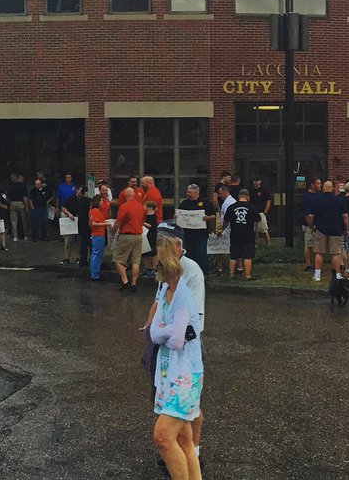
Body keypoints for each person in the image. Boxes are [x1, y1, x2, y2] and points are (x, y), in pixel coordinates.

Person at [147, 233, 204, 480]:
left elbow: (178, 339)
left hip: (185, 375)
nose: (153, 265)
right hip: (167, 373)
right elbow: (154, 332)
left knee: (163, 436)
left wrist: (162, 331)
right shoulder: (164, 290)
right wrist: (162, 332)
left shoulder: (182, 295)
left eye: (156, 261)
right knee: (183, 438)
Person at [310, 179, 348, 284]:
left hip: (321, 229)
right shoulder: (339, 200)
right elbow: (345, 216)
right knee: (335, 253)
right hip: (336, 229)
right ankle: (338, 275)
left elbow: (311, 216)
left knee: (319, 252)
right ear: (332, 188)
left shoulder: (317, 200)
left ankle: (317, 275)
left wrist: (312, 226)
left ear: (323, 188)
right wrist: (346, 229)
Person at [176, 184, 217, 273]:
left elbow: (214, 216)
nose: (187, 193)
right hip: (187, 234)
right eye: (187, 192)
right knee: (189, 253)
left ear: (196, 192)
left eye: (189, 192)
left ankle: (203, 272)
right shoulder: (184, 203)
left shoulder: (205, 203)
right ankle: (189, 271)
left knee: (201, 253)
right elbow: (179, 214)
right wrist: (176, 216)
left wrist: (207, 218)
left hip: (201, 233)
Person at [113, 187, 146, 291]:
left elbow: (119, 221)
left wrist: (113, 230)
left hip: (126, 235)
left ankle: (125, 280)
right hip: (138, 235)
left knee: (118, 259)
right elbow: (142, 220)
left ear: (125, 195)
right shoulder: (140, 207)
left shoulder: (124, 206)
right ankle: (134, 283)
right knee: (136, 260)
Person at [226, 189, 260, 280]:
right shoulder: (252, 207)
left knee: (233, 256)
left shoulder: (232, 207)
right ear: (247, 196)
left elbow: (226, 220)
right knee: (248, 256)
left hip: (235, 235)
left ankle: (231, 275)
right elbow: (258, 220)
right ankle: (247, 276)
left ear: (239, 196)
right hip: (248, 236)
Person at [140, 176, 164, 281]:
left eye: (142, 183)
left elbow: (150, 208)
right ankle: (150, 268)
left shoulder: (152, 193)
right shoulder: (152, 192)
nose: (141, 185)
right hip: (151, 221)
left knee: (151, 248)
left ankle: (153, 268)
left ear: (149, 183)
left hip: (152, 223)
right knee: (149, 248)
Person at [58, 184, 88, 265]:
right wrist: (69, 214)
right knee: (69, 241)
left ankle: (78, 258)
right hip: (71, 221)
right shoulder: (70, 198)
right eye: (80, 190)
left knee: (79, 241)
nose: (81, 192)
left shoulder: (84, 200)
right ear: (77, 190)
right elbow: (63, 207)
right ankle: (67, 258)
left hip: (80, 222)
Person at [88, 189, 111, 280]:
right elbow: (94, 223)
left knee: (97, 254)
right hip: (98, 234)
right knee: (97, 254)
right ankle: (94, 274)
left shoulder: (94, 210)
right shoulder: (95, 211)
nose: (102, 202)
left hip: (98, 234)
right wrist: (106, 224)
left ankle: (95, 273)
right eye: (101, 201)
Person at [300, 179, 321, 271]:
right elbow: (307, 214)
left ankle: (315, 263)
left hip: (318, 224)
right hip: (309, 225)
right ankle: (308, 264)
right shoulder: (306, 197)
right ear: (312, 184)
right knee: (309, 245)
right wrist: (311, 225)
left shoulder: (319, 195)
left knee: (316, 246)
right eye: (318, 183)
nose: (320, 185)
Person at [250, 175, 273, 248]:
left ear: (260, 181)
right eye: (255, 181)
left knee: (263, 230)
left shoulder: (264, 190)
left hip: (261, 213)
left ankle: (268, 246)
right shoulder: (250, 190)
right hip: (251, 213)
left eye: (257, 181)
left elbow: (268, 201)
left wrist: (265, 211)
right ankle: (254, 245)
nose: (256, 182)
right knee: (252, 230)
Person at [7, 174, 29, 241]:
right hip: (21, 203)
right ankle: (25, 235)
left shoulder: (12, 186)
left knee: (14, 221)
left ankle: (15, 237)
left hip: (12, 203)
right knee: (24, 220)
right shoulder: (23, 186)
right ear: (21, 179)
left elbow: (8, 197)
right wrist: (26, 206)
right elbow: (24, 197)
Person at [27, 177, 50, 242]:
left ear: (41, 184)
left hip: (43, 208)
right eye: (35, 184)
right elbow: (30, 199)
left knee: (44, 222)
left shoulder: (45, 190)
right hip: (36, 208)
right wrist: (32, 207)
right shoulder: (33, 190)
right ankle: (35, 236)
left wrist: (48, 201)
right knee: (34, 223)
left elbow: (51, 196)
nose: (36, 185)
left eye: (38, 184)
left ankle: (44, 236)